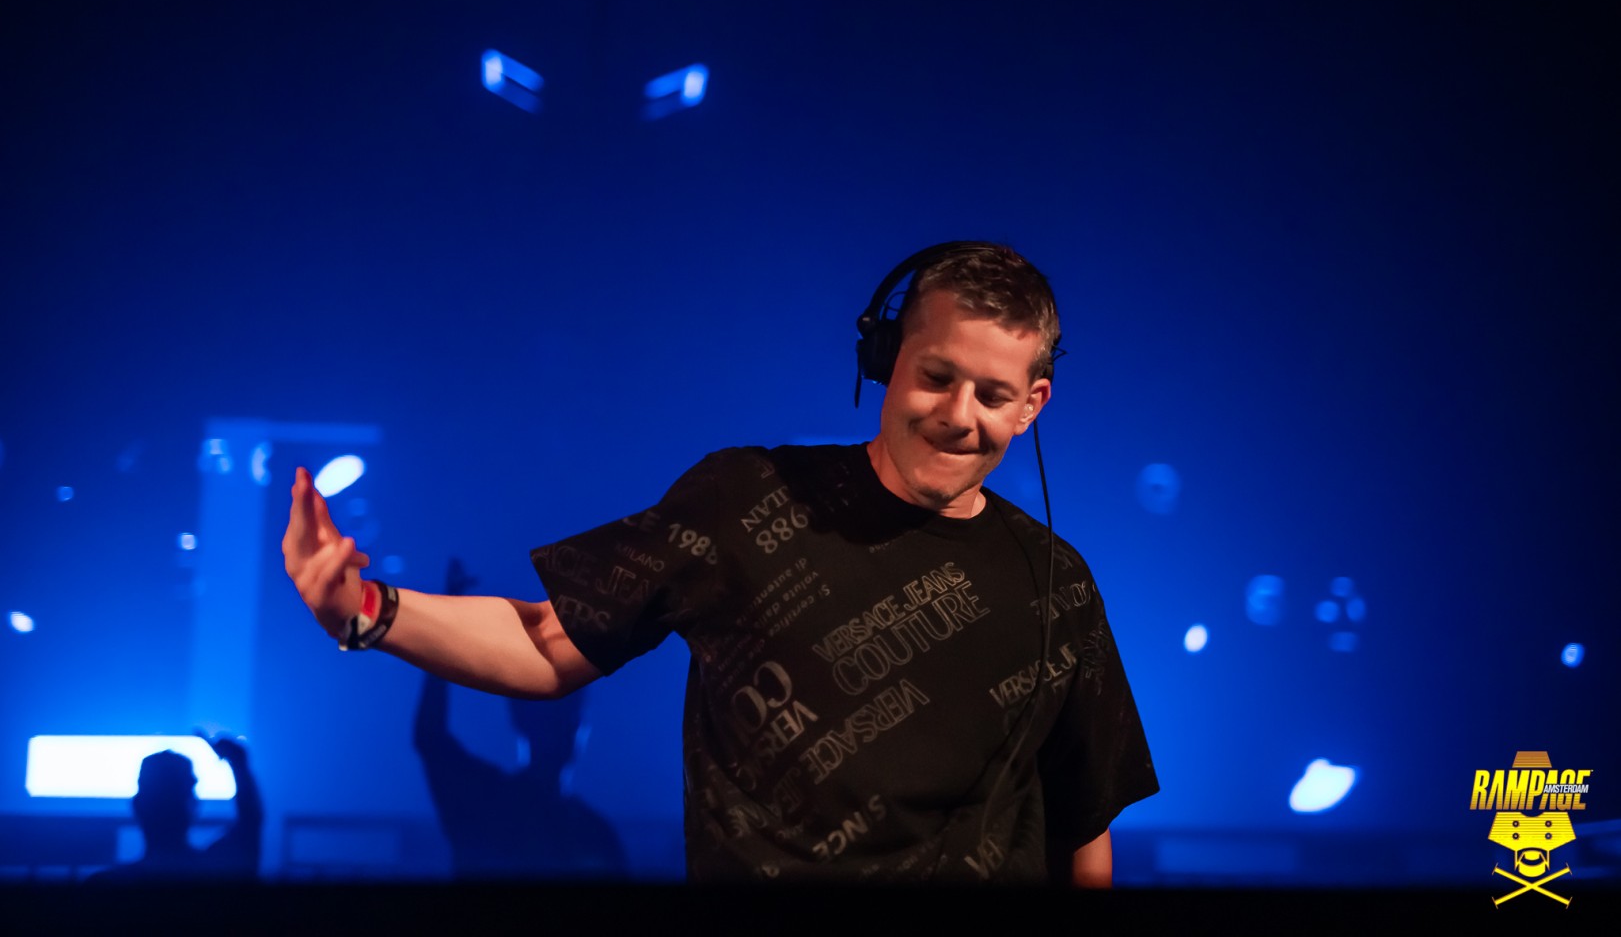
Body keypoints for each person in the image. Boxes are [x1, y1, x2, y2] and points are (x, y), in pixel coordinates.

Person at [283, 241, 1157, 886]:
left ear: (1032, 405)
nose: (959, 415)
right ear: (886, 360)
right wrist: (367, 610)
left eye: (993, 395)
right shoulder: (748, 500)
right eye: (936, 376)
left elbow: (1083, 827)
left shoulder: (1057, 583)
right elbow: (547, 643)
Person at [414, 558, 629, 880]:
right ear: (521, 718)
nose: (567, 727)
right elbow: (430, 738)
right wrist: (444, 624)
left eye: (572, 714)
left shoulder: (595, 833)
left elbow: (430, 739)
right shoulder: (489, 801)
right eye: (557, 714)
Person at [83, 733, 262, 883]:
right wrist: (238, 764)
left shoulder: (105, 886)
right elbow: (250, 824)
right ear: (194, 804)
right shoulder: (218, 874)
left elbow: (250, 824)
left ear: (136, 806)